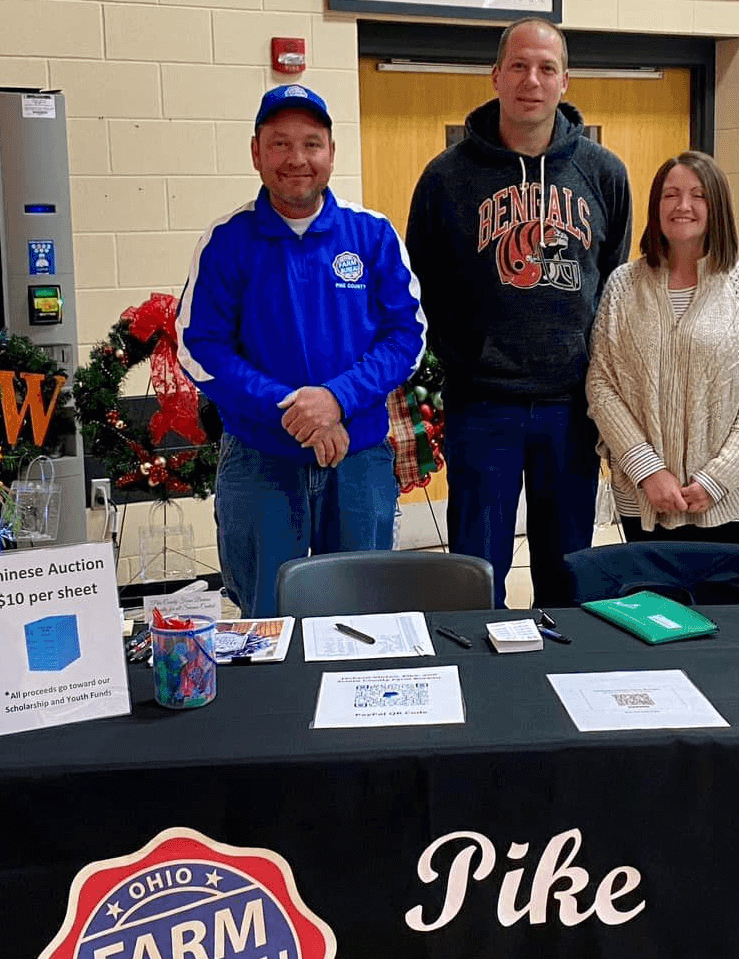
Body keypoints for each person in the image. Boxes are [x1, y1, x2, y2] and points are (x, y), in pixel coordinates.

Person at [406, 17, 631, 607]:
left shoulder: (604, 173)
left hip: (571, 407)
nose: (532, 80)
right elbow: (425, 284)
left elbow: (611, 281)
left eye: (547, 68)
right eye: (519, 66)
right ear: (496, 75)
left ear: (564, 81)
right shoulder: (445, 177)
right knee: (477, 574)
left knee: (567, 571)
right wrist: (467, 360)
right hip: (483, 405)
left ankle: (558, 685)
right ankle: (483, 684)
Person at [180, 85, 426, 618]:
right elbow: (199, 347)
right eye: (280, 144)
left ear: (332, 152)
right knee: (266, 616)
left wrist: (337, 401)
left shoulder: (373, 235)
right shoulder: (227, 241)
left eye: (311, 144)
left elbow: (408, 335)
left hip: (358, 457)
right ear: (256, 152)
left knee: (363, 612)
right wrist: (297, 409)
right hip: (261, 459)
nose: (297, 159)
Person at [585, 151, 739, 547]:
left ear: (718, 207)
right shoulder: (624, 285)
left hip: (731, 498)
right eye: (670, 195)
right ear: (656, 205)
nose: (683, 206)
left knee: (723, 610)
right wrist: (647, 469)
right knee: (649, 608)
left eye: (698, 195)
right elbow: (601, 383)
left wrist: (716, 479)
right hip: (644, 496)